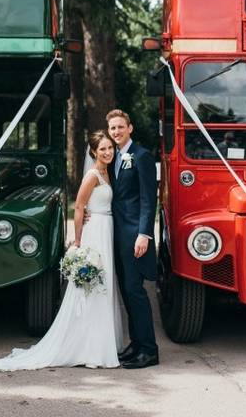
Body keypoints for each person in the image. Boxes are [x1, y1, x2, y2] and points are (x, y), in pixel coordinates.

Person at [0, 131, 122, 371]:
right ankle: (89, 348)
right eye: (102, 149)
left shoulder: (108, 172)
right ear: (93, 152)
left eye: (110, 148)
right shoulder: (92, 175)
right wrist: (79, 241)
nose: (107, 152)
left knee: (104, 285)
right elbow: (80, 208)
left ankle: (103, 342)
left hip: (107, 228)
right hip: (94, 233)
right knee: (91, 288)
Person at [106, 109, 159, 369]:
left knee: (136, 291)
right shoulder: (112, 157)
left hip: (135, 236)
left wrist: (144, 234)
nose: (116, 132)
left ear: (130, 128)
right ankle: (136, 344)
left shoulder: (142, 156)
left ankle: (149, 350)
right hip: (117, 235)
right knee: (127, 290)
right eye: (112, 128)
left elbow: (149, 200)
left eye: (120, 127)